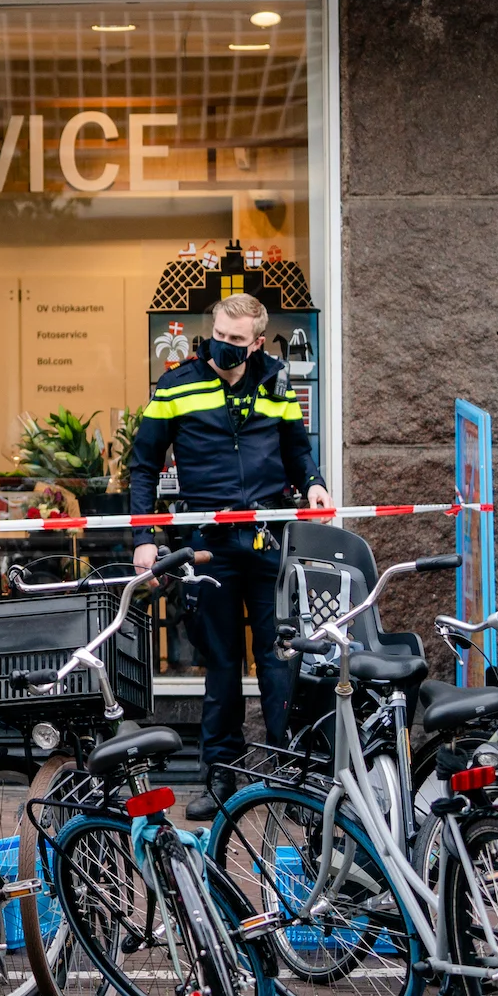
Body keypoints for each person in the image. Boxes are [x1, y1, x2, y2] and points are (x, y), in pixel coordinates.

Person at [128, 292, 330, 820]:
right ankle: (219, 777)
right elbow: (143, 465)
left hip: (266, 539)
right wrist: (145, 537)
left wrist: (313, 484)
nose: (224, 345)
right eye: (219, 333)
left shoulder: (277, 378)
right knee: (220, 664)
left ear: (257, 342)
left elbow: (296, 447)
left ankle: (290, 776)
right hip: (207, 546)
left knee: (278, 660)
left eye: (237, 340)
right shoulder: (176, 383)